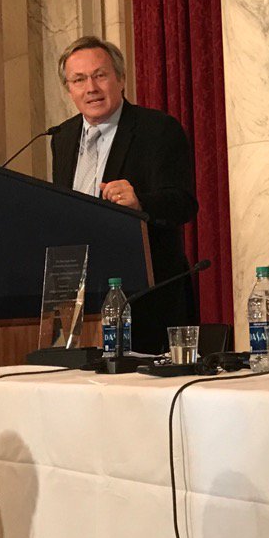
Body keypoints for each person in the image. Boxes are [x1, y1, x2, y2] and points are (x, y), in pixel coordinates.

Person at [50, 36, 198, 352]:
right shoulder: (61, 139)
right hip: (81, 299)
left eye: (100, 75)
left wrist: (140, 201)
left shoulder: (157, 129)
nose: (91, 87)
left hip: (146, 298)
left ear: (120, 79)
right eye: (79, 79)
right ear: (69, 89)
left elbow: (183, 204)